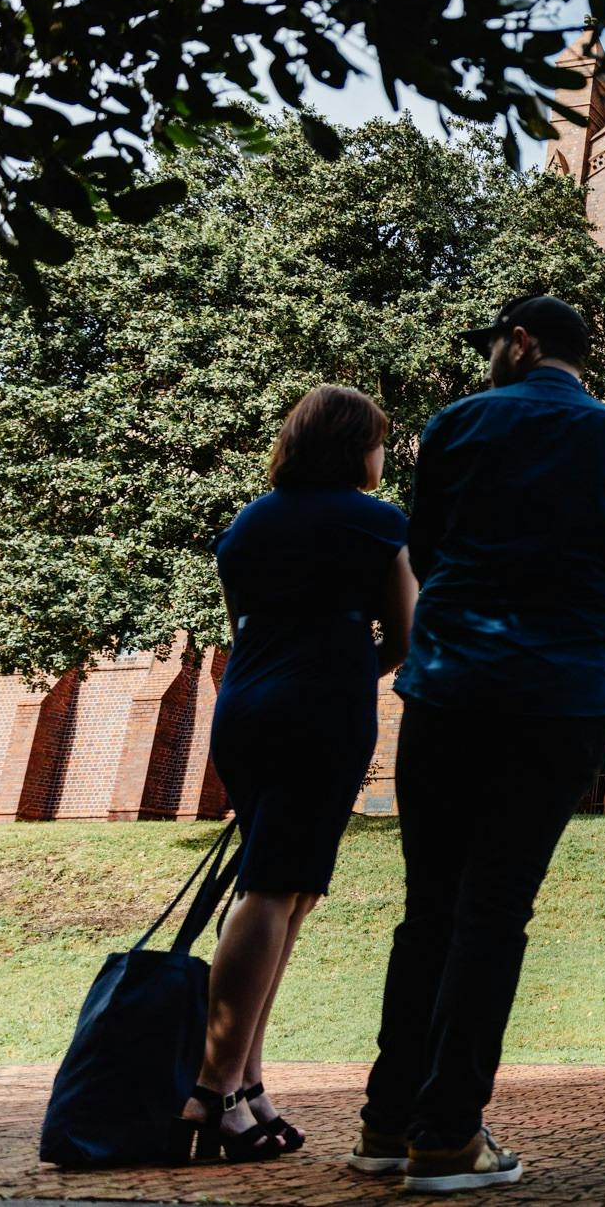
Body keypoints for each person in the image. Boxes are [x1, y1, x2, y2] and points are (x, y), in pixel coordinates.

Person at [347, 296, 605, 1194]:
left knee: (430, 911)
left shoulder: (456, 423)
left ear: (520, 343)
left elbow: (428, 551)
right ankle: (447, 1132)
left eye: (493, 342)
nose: (490, 356)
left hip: (450, 694)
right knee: (495, 913)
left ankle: (386, 1120)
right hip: (558, 702)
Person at [174, 386, 415, 1164]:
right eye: (379, 441)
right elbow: (408, 632)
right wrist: (354, 666)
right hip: (322, 711)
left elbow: (243, 624)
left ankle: (246, 1083)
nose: (383, 454)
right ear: (356, 448)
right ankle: (211, 1092)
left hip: (245, 706)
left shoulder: (247, 523)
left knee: (289, 888)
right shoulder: (379, 523)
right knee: (275, 887)